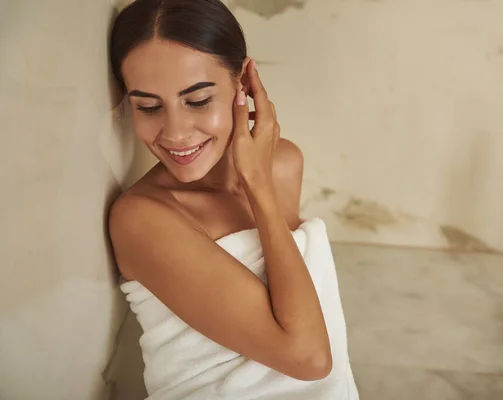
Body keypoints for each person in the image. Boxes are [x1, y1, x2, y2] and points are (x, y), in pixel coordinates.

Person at [108, 0, 359, 399]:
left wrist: (260, 178)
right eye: (149, 107)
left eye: (198, 100)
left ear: (243, 82)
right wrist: (258, 187)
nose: (174, 133)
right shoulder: (142, 218)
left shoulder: (283, 163)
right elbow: (308, 358)